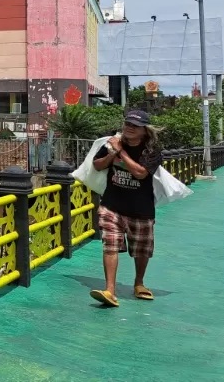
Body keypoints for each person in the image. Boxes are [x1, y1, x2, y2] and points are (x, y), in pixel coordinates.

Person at [89, 109, 163, 307]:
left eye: (135, 126)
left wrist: (120, 152)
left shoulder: (152, 151)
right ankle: (110, 290)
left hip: (141, 209)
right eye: (127, 124)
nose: (129, 128)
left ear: (145, 131)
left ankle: (139, 283)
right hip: (112, 206)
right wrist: (111, 155)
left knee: (141, 250)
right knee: (110, 245)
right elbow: (97, 165)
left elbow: (140, 173)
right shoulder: (112, 143)